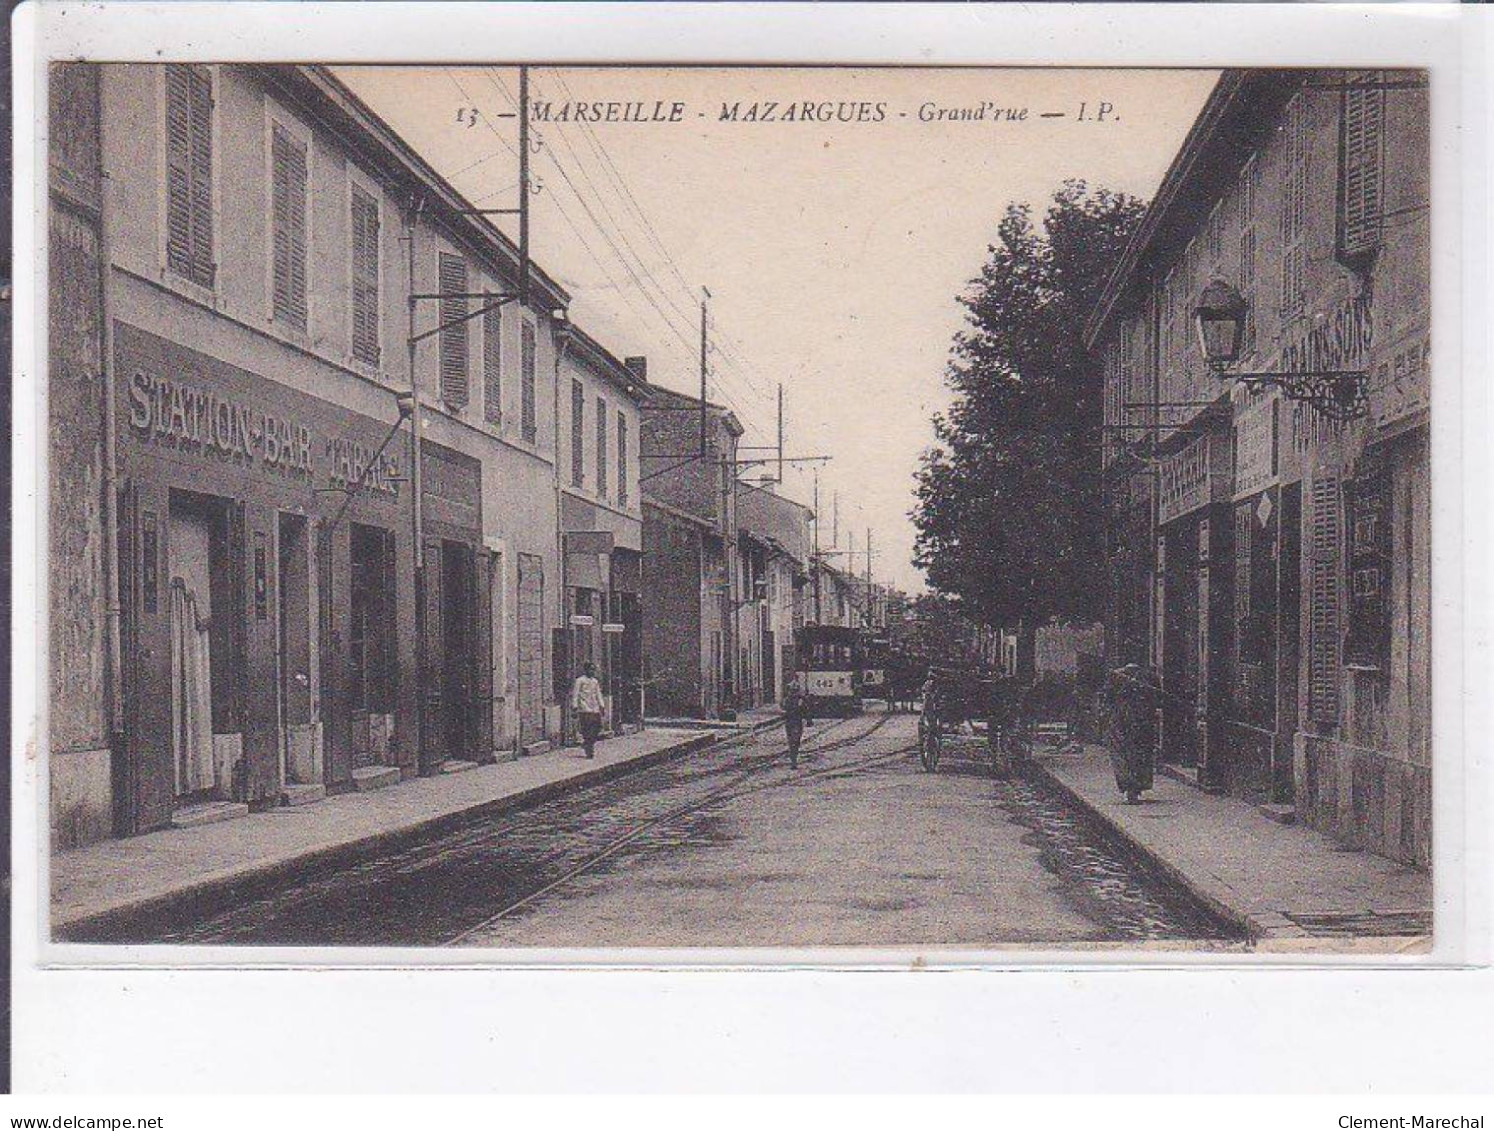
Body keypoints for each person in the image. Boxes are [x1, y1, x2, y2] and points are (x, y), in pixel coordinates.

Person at [1106, 663, 1159, 803]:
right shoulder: (1119, 680)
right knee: (1133, 755)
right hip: (1132, 722)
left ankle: (1133, 788)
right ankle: (1133, 788)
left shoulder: (1144, 682)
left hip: (1135, 723)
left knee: (1130, 755)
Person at [570, 662, 605, 759]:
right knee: (587, 729)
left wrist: (602, 705)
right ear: (586, 670)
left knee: (597, 727)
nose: (592, 672)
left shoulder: (595, 681)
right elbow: (575, 694)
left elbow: (598, 694)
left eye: (593, 670)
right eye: (590, 669)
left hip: (594, 708)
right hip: (584, 708)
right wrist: (575, 706)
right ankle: (589, 750)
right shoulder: (580, 681)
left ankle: (587, 744)